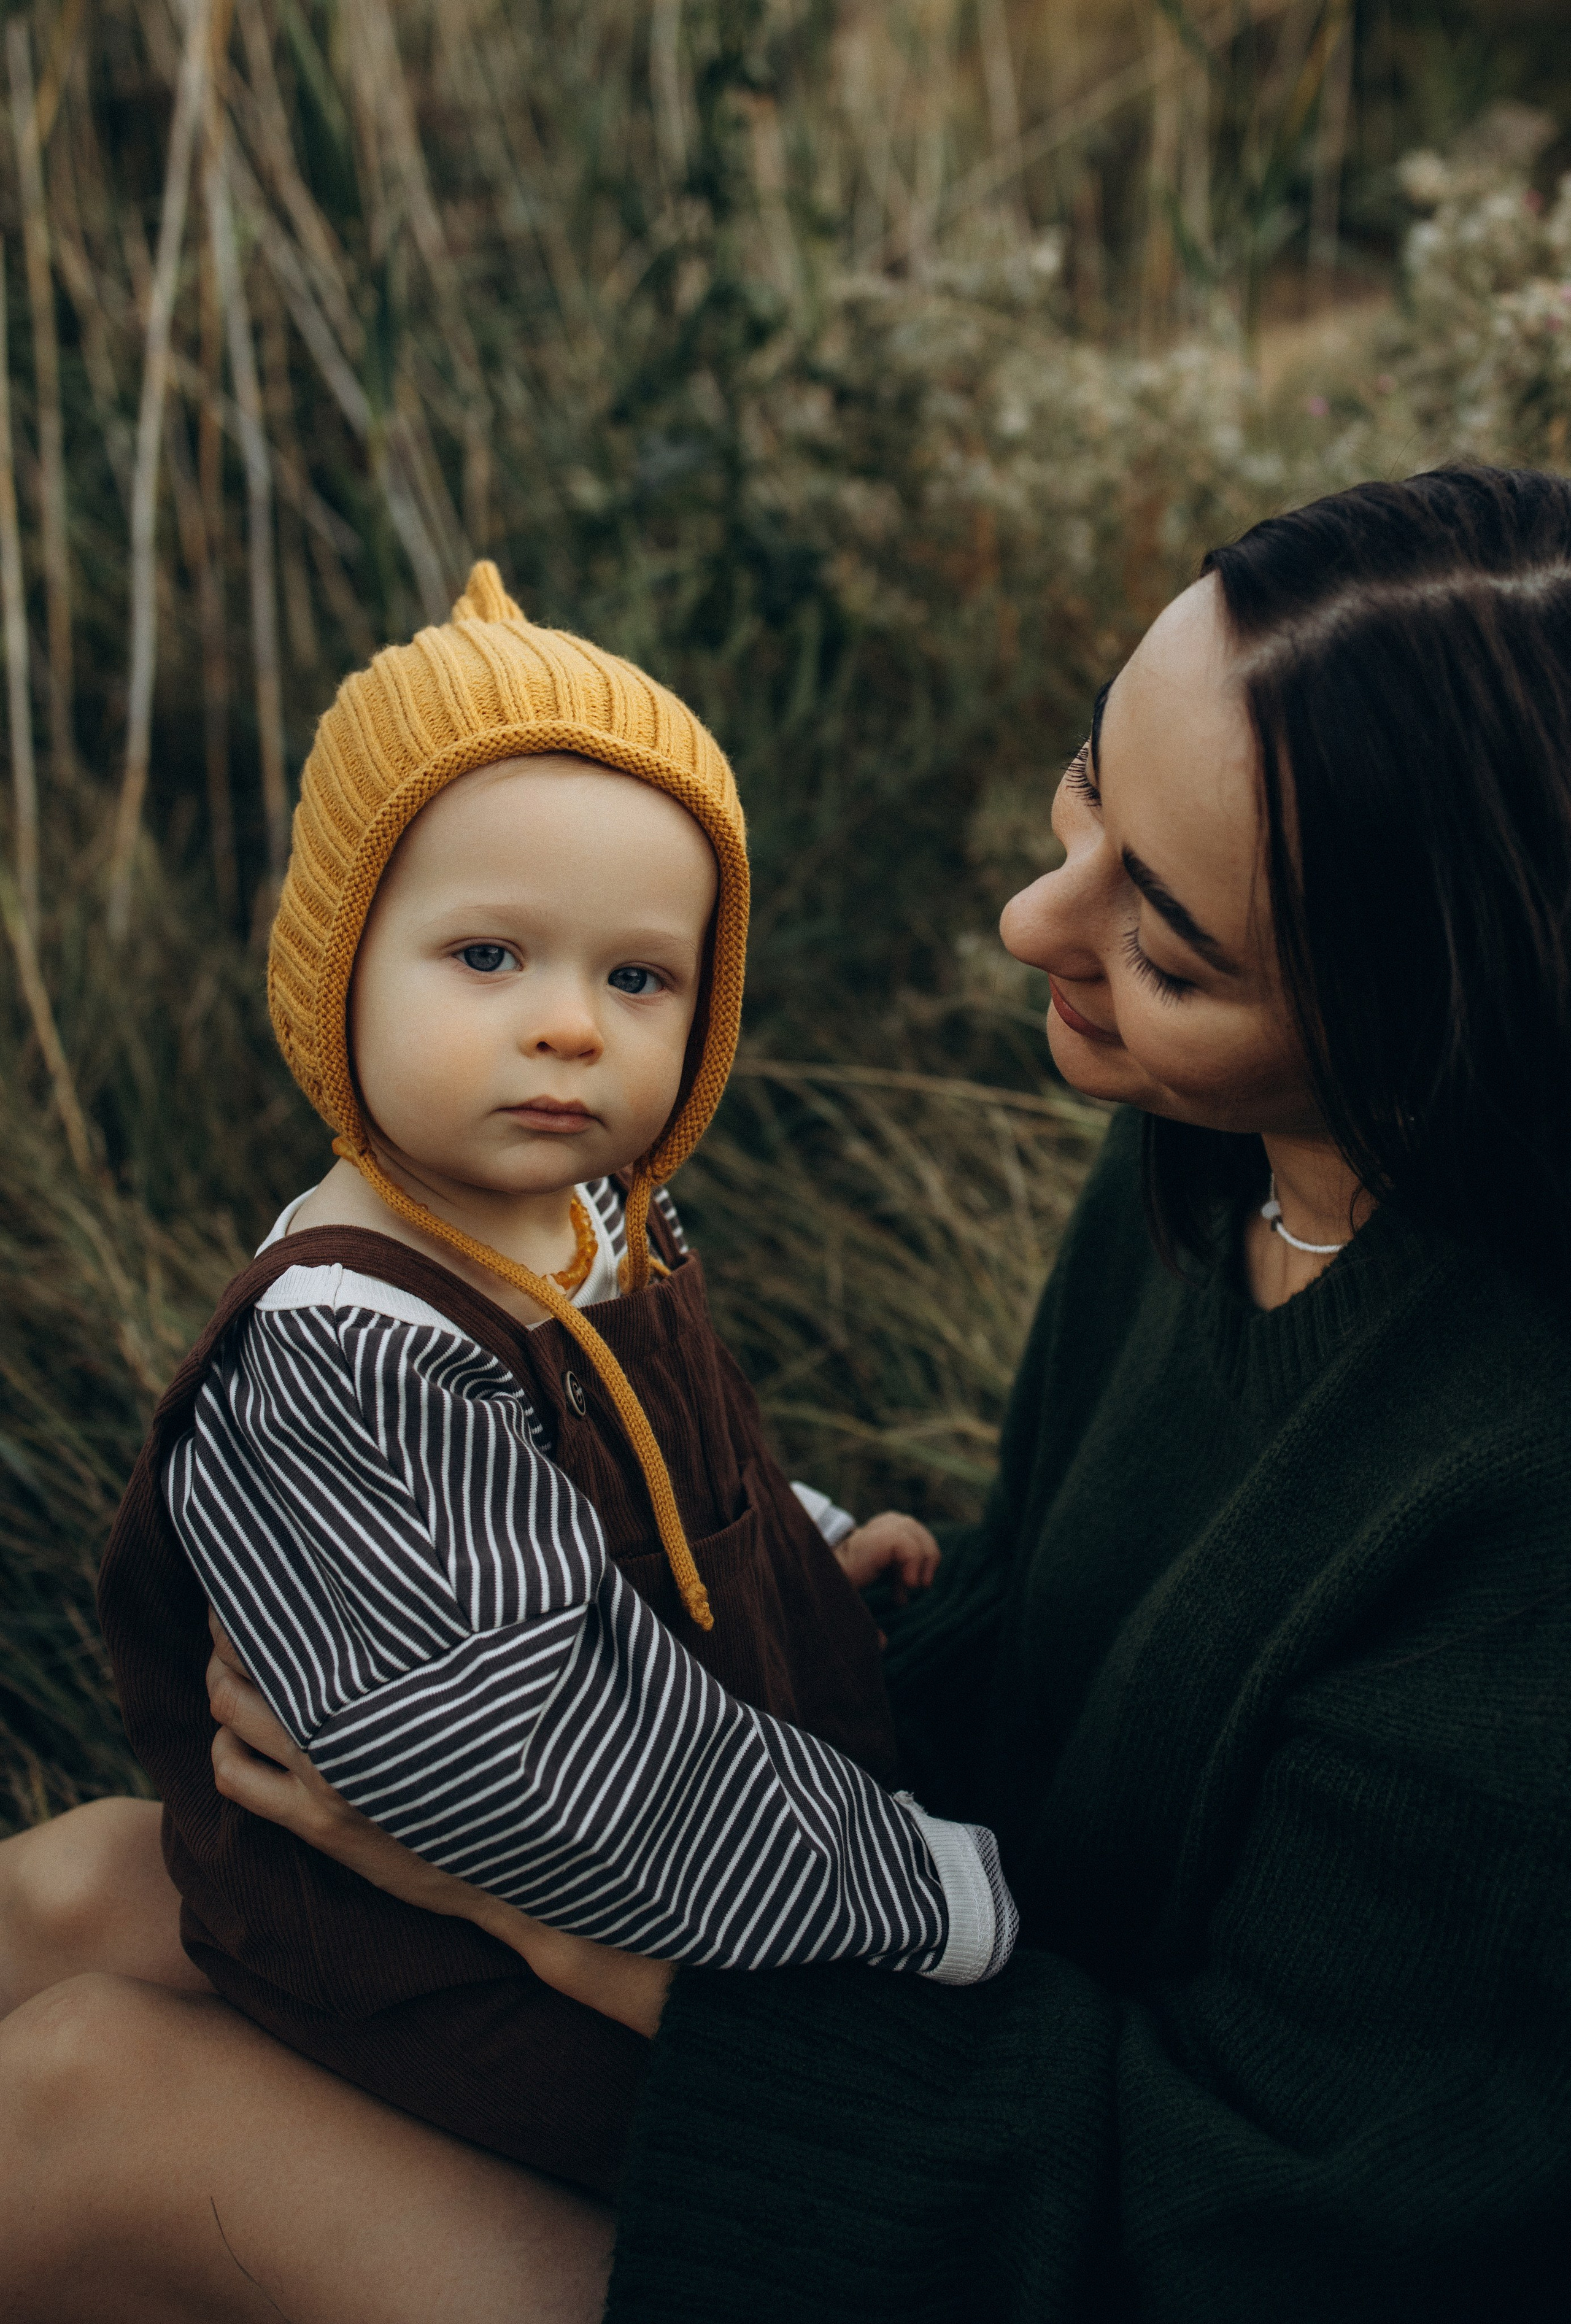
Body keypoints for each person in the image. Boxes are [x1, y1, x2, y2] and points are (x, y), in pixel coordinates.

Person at [2, 465, 1569, 2322]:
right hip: (906, 1968)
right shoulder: (1219, 1156)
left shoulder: (1513, 1519)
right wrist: (817, 1608)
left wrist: (548, 1911)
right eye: (1088, 783)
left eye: (1165, 943)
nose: (1031, 921)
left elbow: (1279, 2228)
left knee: (88, 2113)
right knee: (75, 1896)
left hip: (1024, 2213)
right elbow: (1078, 1682)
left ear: (1433, 1022)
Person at [7, 563, 1021, 2188]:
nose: (570, 1027)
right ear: (339, 965)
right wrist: (918, 1889)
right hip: (470, 1969)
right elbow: (552, 1762)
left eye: (638, 978)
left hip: (669, 1883)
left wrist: (798, 1547)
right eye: (488, 956)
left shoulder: (591, 1222)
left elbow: (665, 1456)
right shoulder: (351, 1354)